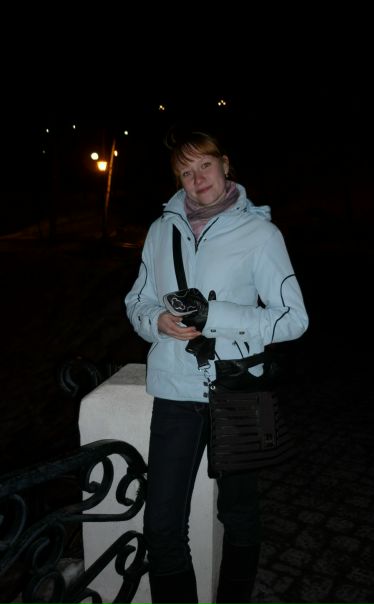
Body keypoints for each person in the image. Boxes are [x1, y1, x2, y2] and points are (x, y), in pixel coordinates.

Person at [124, 127, 309, 603]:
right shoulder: (161, 231)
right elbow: (137, 300)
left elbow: (294, 319)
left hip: (238, 389)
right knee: (162, 525)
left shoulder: (260, 233)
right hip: (175, 390)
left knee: (240, 514)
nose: (197, 178)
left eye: (204, 165)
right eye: (185, 172)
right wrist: (157, 321)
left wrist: (216, 317)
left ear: (225, 165)